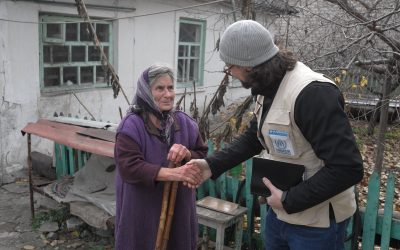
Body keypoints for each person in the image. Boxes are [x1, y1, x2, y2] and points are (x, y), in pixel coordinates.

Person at [185, 20, 363, 250]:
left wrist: (289, 200)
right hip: (279, 215)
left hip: (316, 226)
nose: (230, 73)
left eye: (230, 67)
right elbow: (254, 138)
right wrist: (210, 166)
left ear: (248, 65)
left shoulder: (313, 94)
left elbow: (347, 168)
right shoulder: (268, 86)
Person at [114, 64, 208, 250]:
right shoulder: (131, 126)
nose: (168, 94)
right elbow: (129, 167)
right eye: (160, 88)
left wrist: (188, 154)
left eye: (171, 87)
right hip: (142, 208)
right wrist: (175, 174)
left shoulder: (185, 123)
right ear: (146, 92)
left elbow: (202, 154)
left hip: (179, 208)